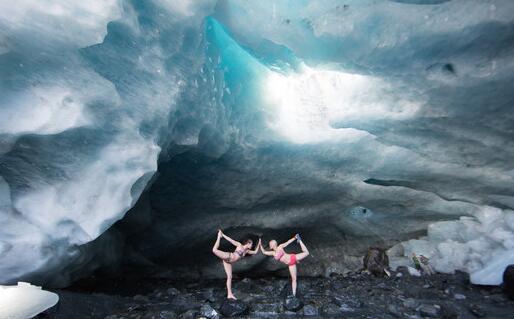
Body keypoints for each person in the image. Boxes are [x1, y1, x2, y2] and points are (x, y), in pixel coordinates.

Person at [212, 230, 260, 299]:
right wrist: (223, 235)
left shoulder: (247, 251)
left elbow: (255, 252)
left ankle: (229, 294)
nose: (252, 245)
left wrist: (259, 243)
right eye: (251, 244)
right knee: (214, 250)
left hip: (228, 262)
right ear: (248, 243)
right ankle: (219, 236)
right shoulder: (239, 245)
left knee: (230, 277)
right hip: (228, 256)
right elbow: (231, 240)